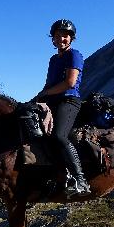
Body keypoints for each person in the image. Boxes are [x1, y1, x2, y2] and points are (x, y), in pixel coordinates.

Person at [23, 19, 91, 197]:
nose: (62, 38)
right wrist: (41, 100)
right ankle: (50, 175)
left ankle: (80, 179)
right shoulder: (53, 60)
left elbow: (70, 83)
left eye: (66, 35)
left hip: (68, 101)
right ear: (52, 38)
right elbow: (49, 84)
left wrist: (44, 95)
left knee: (59, 135)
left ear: (71, 38)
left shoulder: (74, 55)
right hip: (51, 101)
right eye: (58, 35)